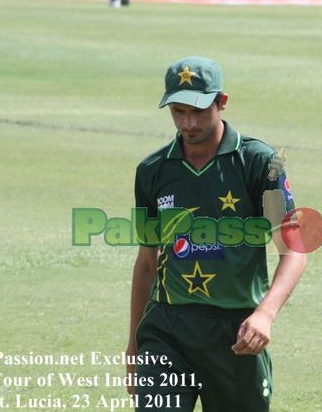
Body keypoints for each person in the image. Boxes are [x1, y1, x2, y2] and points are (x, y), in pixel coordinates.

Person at [126, 56, 307, 411]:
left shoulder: (259, 164)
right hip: (167, 329)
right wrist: (134, 343)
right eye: (178, 112)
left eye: (198, 111)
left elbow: (294, 251)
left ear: (221, 102)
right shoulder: (152, 171)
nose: (188, 123)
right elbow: (147, 263)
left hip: (235, 332)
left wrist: (264, 314)